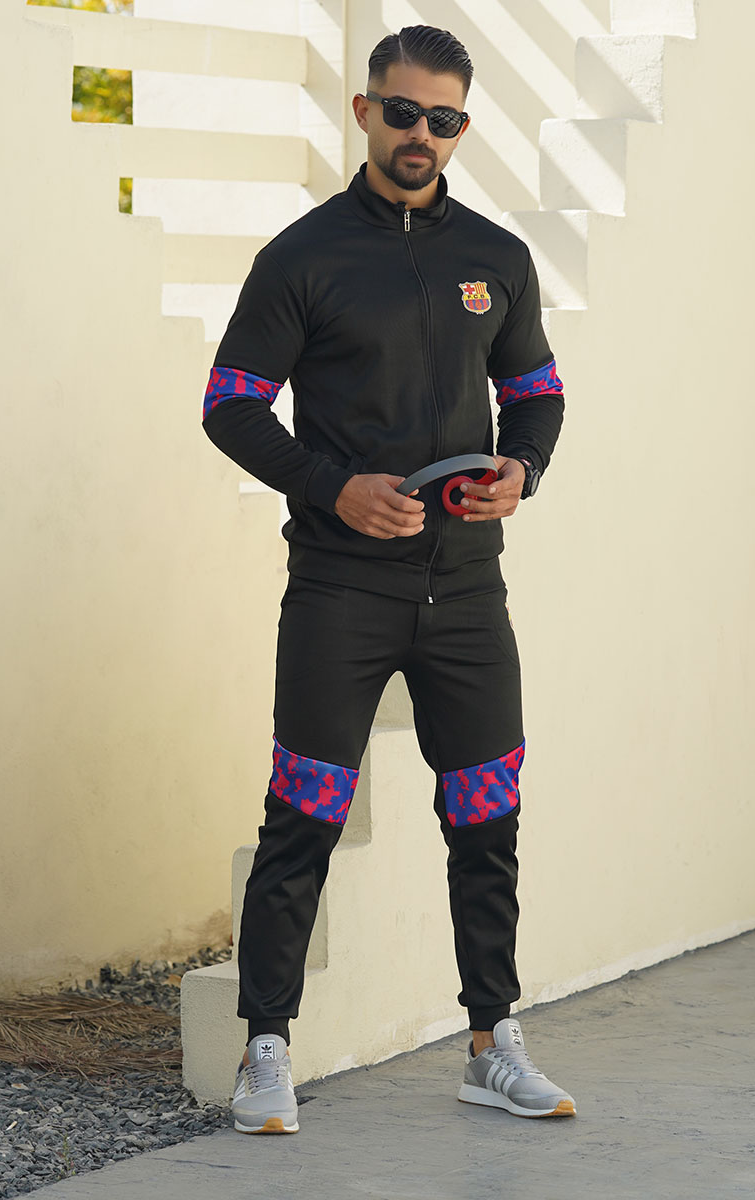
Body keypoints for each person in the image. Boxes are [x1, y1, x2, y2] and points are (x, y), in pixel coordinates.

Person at [202, 25, 574, 1134]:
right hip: (341, 590)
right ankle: (265, 1052)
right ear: (365, 112)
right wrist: (335, 490)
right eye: (402, 112)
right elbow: (229, 405)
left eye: (442, 119)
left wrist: (523, 469)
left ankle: (491, 1044)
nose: (421, 134)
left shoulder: (498, 258)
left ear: (462, 128)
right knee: (302, 817)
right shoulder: (302, 257)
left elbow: (538, 392)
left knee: (487, 820)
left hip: (466, 592)